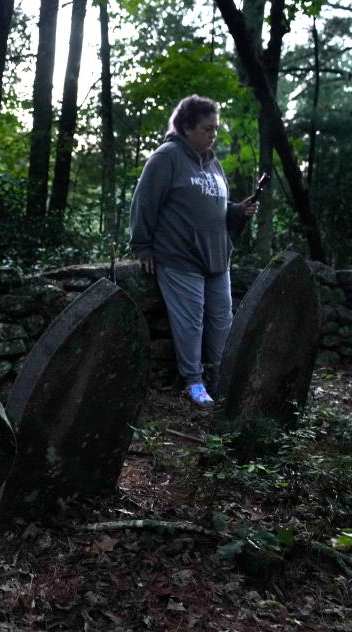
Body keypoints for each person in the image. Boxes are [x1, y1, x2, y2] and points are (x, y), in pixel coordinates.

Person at [129, 95, 258, 407]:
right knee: (190, 323)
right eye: (206, 128)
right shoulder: (167, 157)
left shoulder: (212, 162)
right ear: (186, 127)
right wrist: (143, 246)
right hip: (180, 257)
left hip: (217, 257)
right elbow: (144, 203)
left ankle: (221, 378)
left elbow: (215, 207)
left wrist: (238, 211)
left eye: (215, 129)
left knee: (222, 321)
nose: (213, 135)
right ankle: (194, 382)